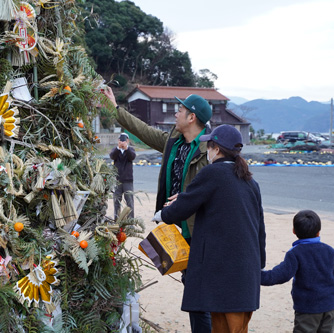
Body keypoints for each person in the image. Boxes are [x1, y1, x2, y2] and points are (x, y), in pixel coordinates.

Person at [102, 86, 213, 330]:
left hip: (201, 232)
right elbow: (144, 131)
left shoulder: (210, 151)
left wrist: (185, 198)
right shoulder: (173, 143)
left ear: (192, 117)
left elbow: (216, 191)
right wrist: (115, 109)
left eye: (180, 110)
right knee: (192, 288)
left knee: (199, 296)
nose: (176, 113)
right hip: (177, 229)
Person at [154, 124, 266, 333]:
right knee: (237, 328)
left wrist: (163, 214)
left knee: (222, 327)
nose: (208, 151)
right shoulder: (250, 181)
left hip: (222, 272)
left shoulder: (213, 173)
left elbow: (186, 203)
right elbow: (260, 228)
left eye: (209, 146)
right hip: (245, 272)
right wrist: (259, 264)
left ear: (216, 149)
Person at [261, 210, 334, 333]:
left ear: (294, 231)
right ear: (318, 232)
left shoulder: (295, 253)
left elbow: (280, 275)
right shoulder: (329, 250)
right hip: (330, 307)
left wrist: (257, 276)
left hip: (308, 308)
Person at [110, 132, 136, 219]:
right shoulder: (115, 150)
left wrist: (126, 148)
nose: (122, 142)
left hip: (128, 180)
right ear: (118, 141)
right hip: (117, 180)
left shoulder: (130, 150)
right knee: (116, 201)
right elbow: (112, 156)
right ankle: (117, 219)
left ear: (127, 141)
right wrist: (118, 148)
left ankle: (130, 220)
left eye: (124, 140)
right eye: (121, 140)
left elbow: (132, 157)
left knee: (130, 202)